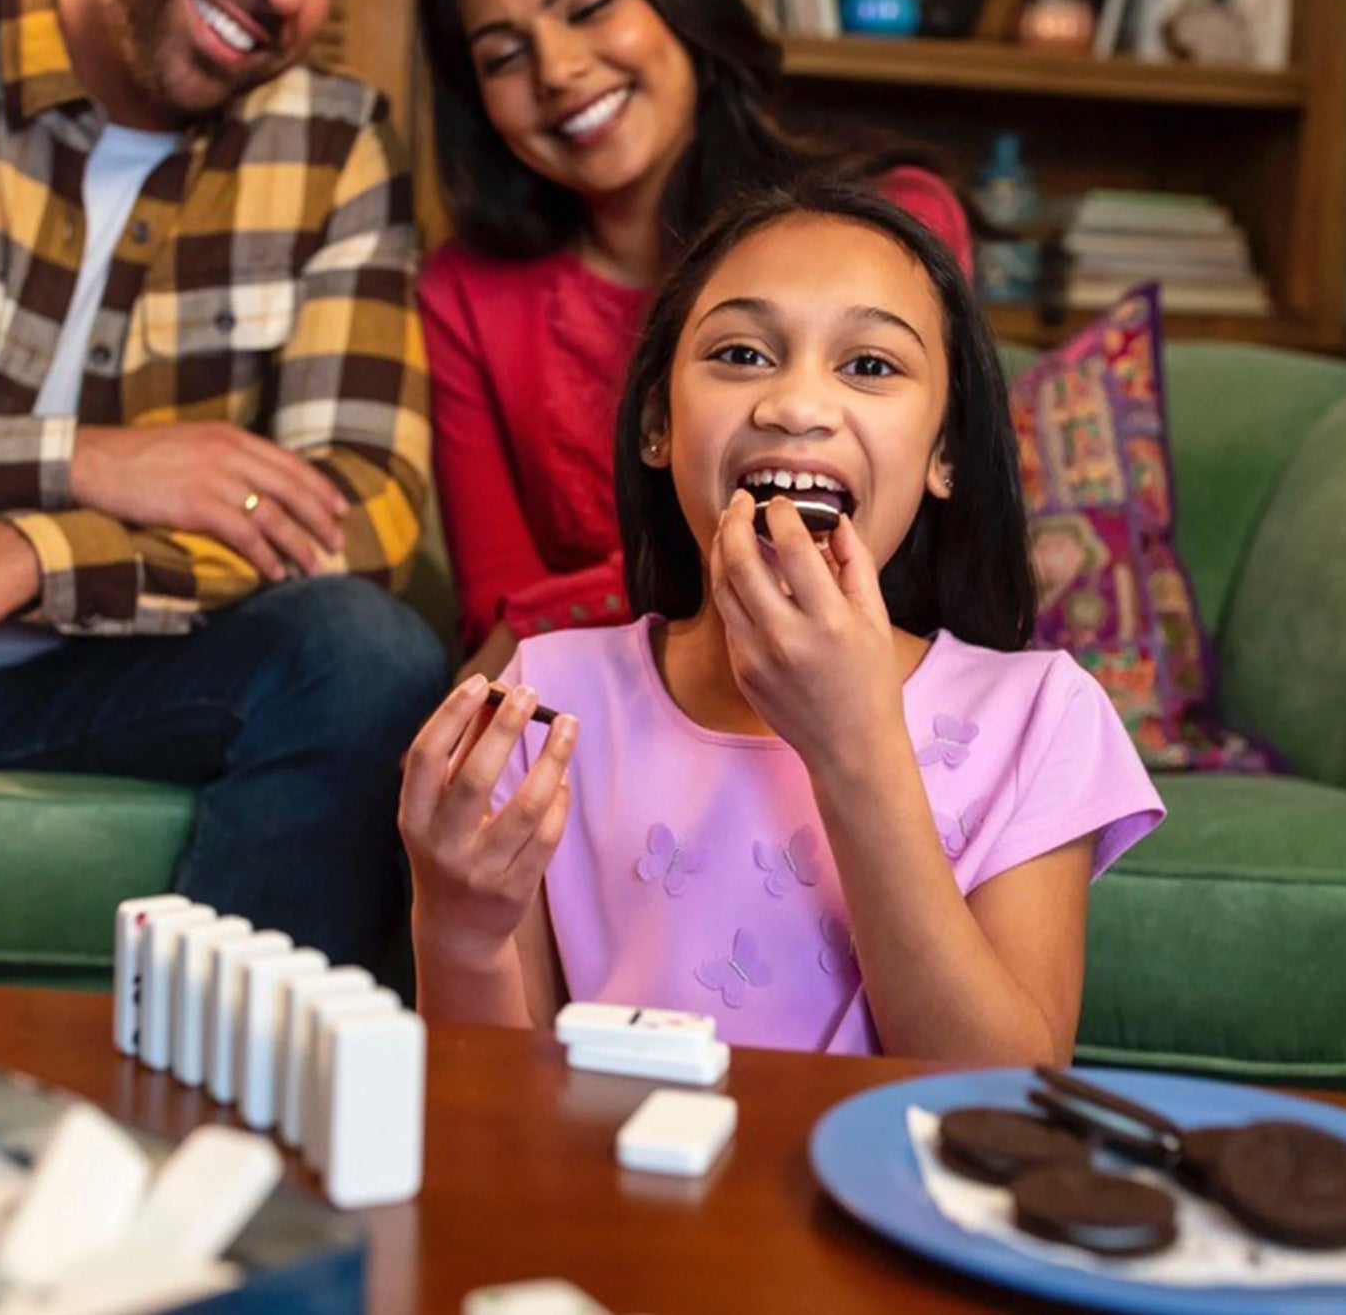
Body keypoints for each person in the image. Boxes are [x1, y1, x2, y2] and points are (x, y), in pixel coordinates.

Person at [399, 163, 1164, 1060]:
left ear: (945, 452)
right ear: (657, 425)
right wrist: (459, 926)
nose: (796, 405)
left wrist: (854, 744)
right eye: (741, 354)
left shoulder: (1040, 716)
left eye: (870, 365)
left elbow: (1001, 1090)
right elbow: (493, 1101)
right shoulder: (544, 699)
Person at [0, 0, 445, 968]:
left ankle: (235, 1069)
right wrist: (83, 462)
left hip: (126, 673)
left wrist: (25, 554)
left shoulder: (334, 148)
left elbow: (364, 503)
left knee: (367, 654)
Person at [416, 0, 975, 681]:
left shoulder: (891, 226)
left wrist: (552, 619)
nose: (558, 71)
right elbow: (498, 616)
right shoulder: (466, 293)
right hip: (602, 704)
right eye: (503, 56)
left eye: (589, 7)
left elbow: (893, 542)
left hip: (867, 678)